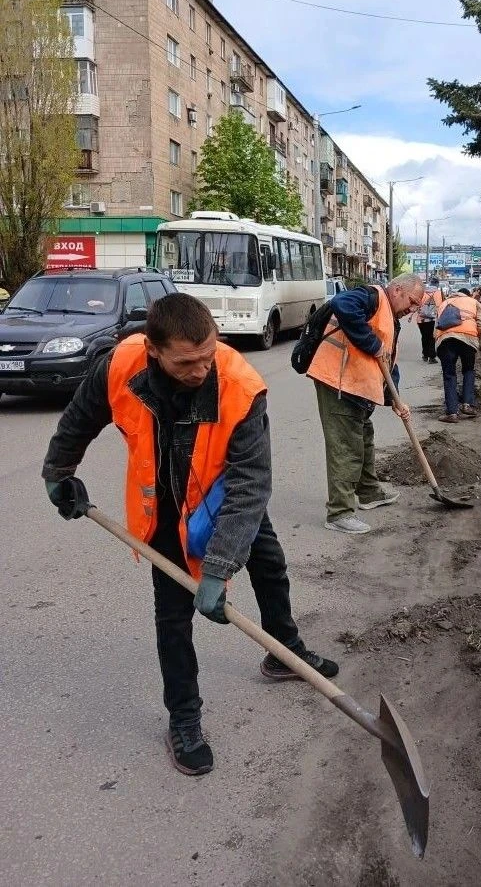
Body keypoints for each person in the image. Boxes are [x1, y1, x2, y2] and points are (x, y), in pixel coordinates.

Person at [42, 293, 337, 778]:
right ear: (153, 349)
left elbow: (250, 486)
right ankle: (184, 719)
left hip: (226, 490)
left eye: (208, 356)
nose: (201, 370)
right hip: (164, 506)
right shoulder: (119, 366)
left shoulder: (241, 386)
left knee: (269, 562)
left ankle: (284, 650)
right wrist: (58, 472)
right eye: (185, 363)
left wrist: (218, 569)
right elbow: (79, 420)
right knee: (174, 614)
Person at [307, 274, 425, 534]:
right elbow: (341, 303)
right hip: (337, 382)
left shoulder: (389, 316)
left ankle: (369, 492)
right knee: (346, 446)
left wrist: (395, 400)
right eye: (413, 301)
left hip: (357, 387)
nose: (413, 309)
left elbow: (387, 362)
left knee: (364, 439)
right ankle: (339, 513)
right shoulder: (370, 297)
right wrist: (371, 343)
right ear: (397, 289)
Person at [435, 287, 481, 423]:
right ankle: (467, 405)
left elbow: (436, 328)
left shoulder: (444, 303)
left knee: (449, 375)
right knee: (469, 370)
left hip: (445, 340)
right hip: (468, 338)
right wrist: (474, 336)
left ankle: (452, 413)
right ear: (468, 295)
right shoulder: (474, 302)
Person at [416, 283, 443, 363]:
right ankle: (432, 357)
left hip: (421, 319)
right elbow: (441, 305)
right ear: (437, 284)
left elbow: (417, 305)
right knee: (431, 337)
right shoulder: (438, 293)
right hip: (433, 319)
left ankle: (425, 355)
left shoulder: (422, 293)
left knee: (424, 336)